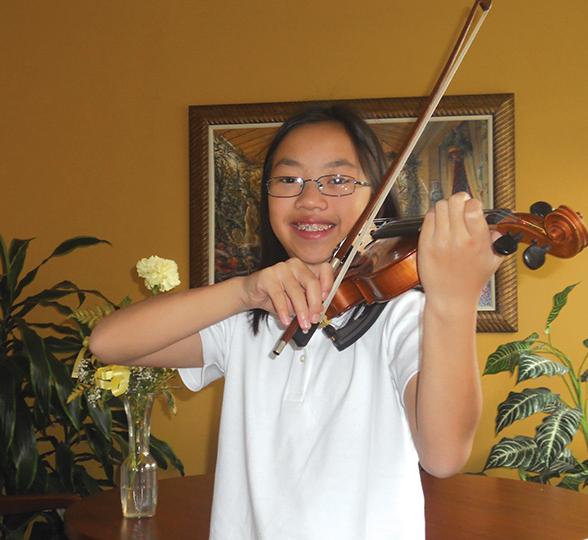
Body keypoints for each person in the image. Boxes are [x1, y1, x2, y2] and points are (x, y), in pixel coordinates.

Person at [89, 104, 502, 539]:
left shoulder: (402, 317)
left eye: (338, 180)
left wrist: (454, 302)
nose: (310, 199)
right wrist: (243, 292)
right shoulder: (247, 319)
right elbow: (108, 343)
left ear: (376, 196)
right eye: (288, 180)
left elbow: (444, 455)